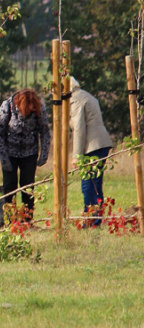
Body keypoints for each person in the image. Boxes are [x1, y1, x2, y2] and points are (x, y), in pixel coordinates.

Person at [0, 89, 51, 219]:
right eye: (28, 109)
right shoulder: (6, 107)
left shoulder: (39, 107)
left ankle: (27, 219)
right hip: (9, 153)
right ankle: (9, 219)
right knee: (9, 187)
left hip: (29, 153)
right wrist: (4, 159)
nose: (31, 111)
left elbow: (45, 131)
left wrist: (44, 154)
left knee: (28, 187)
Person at [68, 76, 114, 225]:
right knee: (96, 182)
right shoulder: (86, 95)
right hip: (101, 143)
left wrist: (76, 156)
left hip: (92, 145)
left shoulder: (76, 101)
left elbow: (79, 130)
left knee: (87, 183)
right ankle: (96, 218)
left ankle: (90, 218)